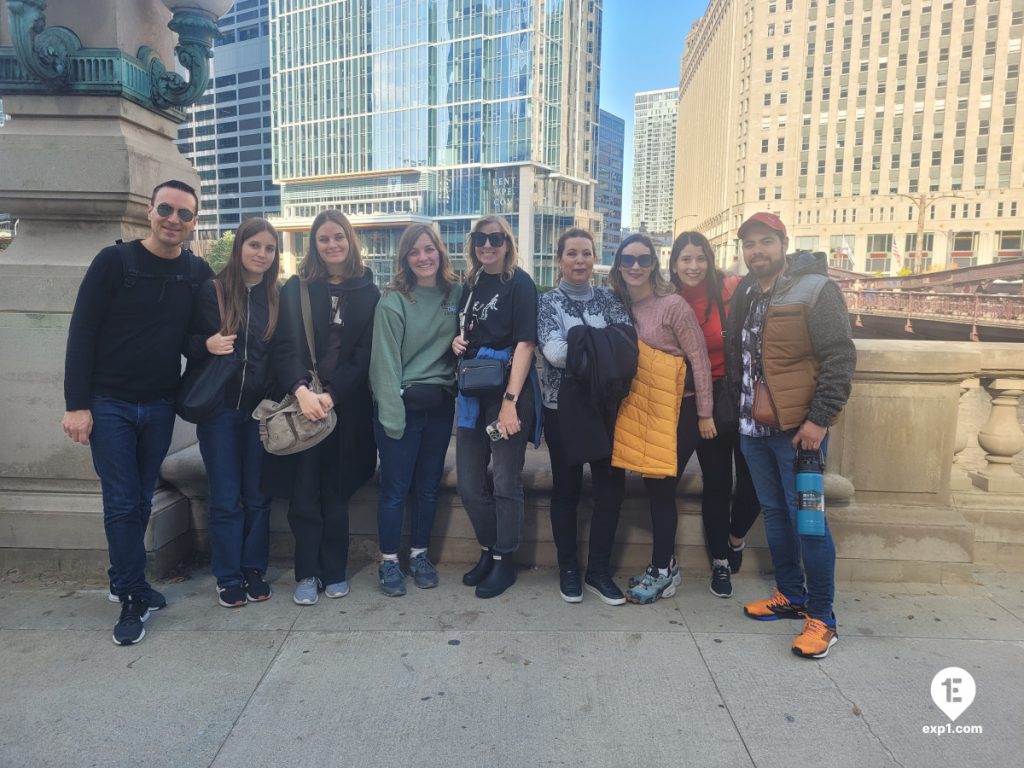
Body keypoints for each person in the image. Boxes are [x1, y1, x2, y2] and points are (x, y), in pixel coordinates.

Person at [62, 179, 213, 645]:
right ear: (149, 211)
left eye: (184, 214)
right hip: (109, 403)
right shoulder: (115, 261)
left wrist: (206, 343)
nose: (174, 219)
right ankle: (131, 593)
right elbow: (82, 332)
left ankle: (123, 579)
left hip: (161, 403)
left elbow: (197, 335)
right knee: (123, 501)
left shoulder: (196, 271)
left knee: (141, 498)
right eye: (166, 209)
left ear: (193, 223)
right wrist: (77, 405)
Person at [725, 212, 856, 659]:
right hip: (752, 427)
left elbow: (839, 357)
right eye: (749, 244)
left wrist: (818, 421)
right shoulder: (745, 289)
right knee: (776, 515)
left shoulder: (816, 290)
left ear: (783, 243)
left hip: (799, 432)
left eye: (765, 242)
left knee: (810, 523)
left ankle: (823, 618)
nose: (756, 251)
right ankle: (790, 595)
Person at [262, 209, 379, 606]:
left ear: (350, 241)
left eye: (338, 237)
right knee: (304, 494)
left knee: (337, 492)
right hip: (303, 407)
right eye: (324, 239)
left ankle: (335, 570)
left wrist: (332, 394)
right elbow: (285, 347)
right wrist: (302, 390)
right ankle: (306, 572)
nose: (332, 245)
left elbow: (365, 354)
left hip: (346, 410)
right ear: (314, 245)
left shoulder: (369, 291)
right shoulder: (296, 288)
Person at [608, 234, 714, 605]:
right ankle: (663, 563)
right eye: (627, 260)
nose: (635, 267)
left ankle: (664, 572)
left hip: (679, 409)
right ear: (619, 266)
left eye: (643, 259)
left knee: (662, 485)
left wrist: (704, 414)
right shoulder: (619, 306)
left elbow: (699, 360)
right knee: (655, 486)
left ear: (654, 264)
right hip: (642, 409)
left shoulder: (673, 306)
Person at [537, 228, 633, 605]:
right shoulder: (547, 302)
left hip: (609, 410)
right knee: (566, 490)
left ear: (595, 259)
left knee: (611, 491)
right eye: (572, 253)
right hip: (562, 411)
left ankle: (598, 570)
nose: (580, 260)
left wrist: (582, 343)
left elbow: (627, 350)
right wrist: (601, 347)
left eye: (586, 253)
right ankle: (570, 569)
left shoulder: (611, 299)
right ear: (559, 259)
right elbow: (554, 352)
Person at [188, 218, 280, 608]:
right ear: (240, 246)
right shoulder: (213, 290)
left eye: (269, 248)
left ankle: (253, 567)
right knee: (226, 496)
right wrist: (205, 343)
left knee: (257, 495)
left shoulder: (277, 296)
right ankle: (227, 574)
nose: (261, 254)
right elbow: (185, 340)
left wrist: (272, 399)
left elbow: (280, 354)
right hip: (220, 410)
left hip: (259, 411)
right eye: (254, 245)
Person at [369, 224, 461, 597]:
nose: (424, 257)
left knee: (428, 486)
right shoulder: (393, 301)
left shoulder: (456, 293)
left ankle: (420, 555)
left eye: (429, 249)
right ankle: (389, 560)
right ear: (405, 259)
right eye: (414, 252)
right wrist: (392, 419)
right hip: (400, 408)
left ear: (439, 250)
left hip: (439, 404)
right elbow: (384, 366)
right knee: (394, 488)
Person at [452, 215, 540, 599]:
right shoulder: (470, 284)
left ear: (507, 243)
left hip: (507, 392)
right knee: (470, 484)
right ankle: (488, 548)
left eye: (495, 238)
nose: (487, 245)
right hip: (473, 392)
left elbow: (525, 343)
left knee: (505, 481)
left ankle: (505, 559)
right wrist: (457, 343)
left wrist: (510, 403)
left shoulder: (519, 283)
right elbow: (466, 330)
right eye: (480, 238)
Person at [669, 232, 761, 599]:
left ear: (710, 260)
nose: (693, 267)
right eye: (685, 259)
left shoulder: (732, 288)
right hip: (697, 401)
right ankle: (721, 562)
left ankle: (736, 537)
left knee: (754, 483)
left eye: (699, 258)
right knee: (718, 482)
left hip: (740, 395)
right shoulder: (668, 299)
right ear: (674, 264)